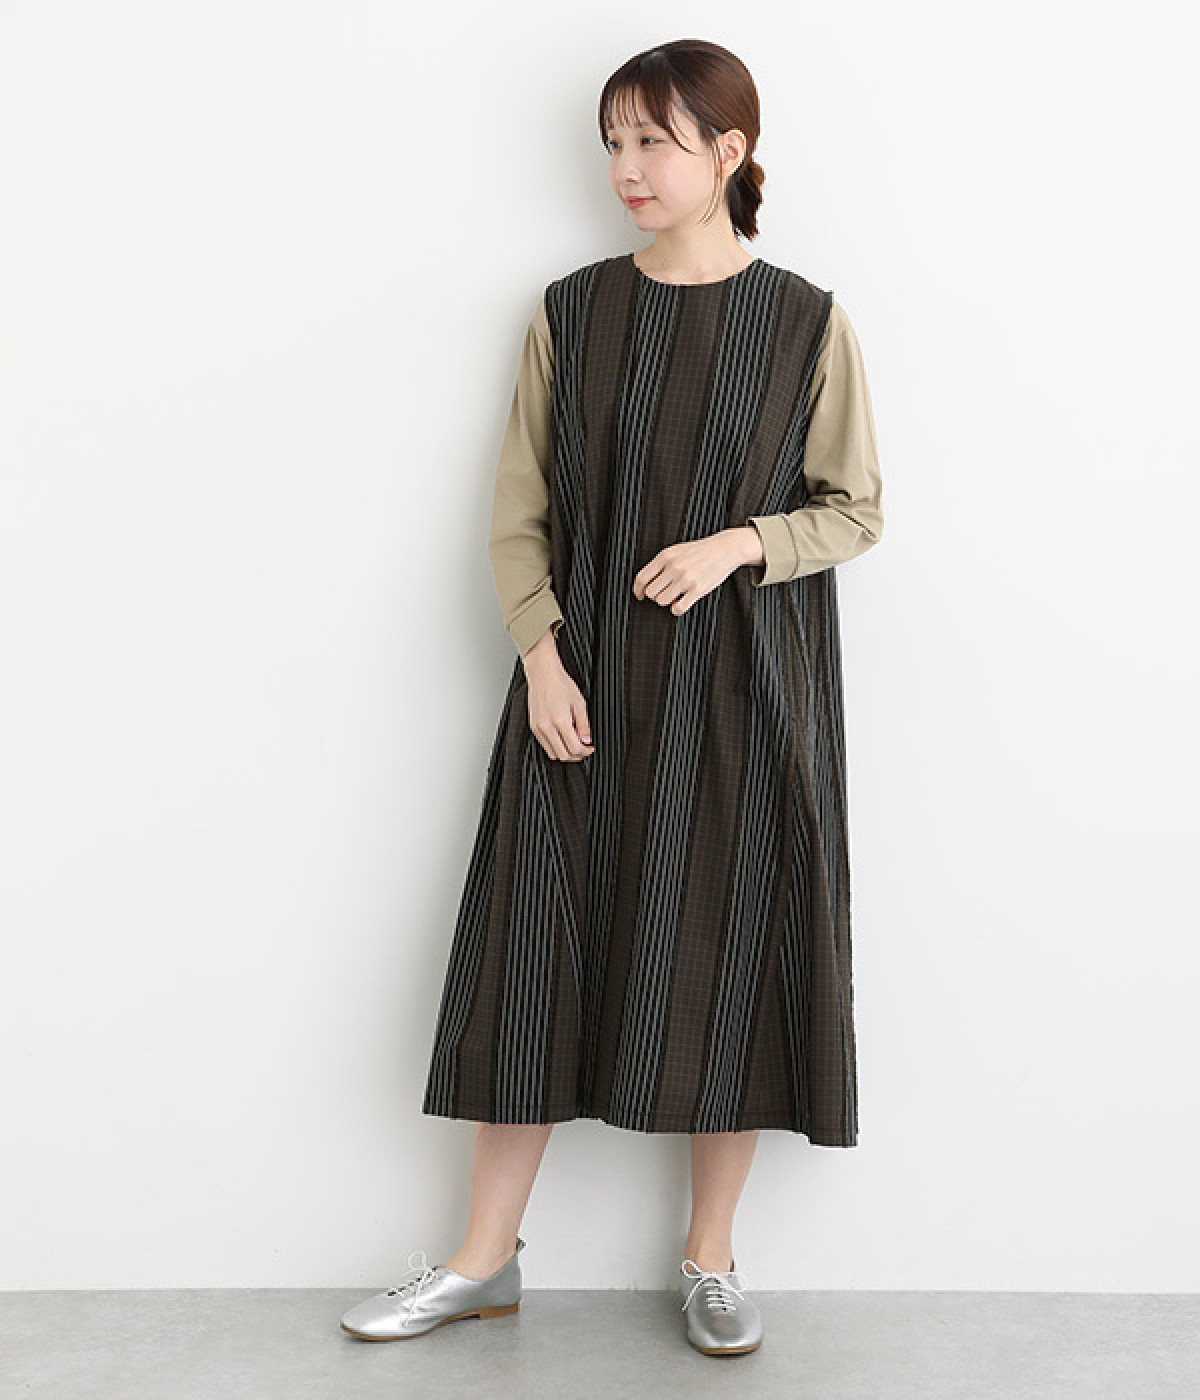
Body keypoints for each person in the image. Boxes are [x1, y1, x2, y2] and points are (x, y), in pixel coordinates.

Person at [341, 37, 883, 1357]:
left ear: (730, 154)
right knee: (532, 955)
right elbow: (516, 510)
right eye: (614, 142)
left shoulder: (807, 322)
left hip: (747, 693)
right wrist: (539, 658)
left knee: (729, 954)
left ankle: (711, 1258)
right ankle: (483, 1261)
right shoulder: (571, 312)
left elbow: (856, 510)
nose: (627, 168)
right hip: (578, 690)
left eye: (655, 141)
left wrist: (741, 543)